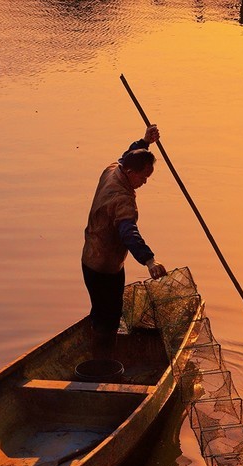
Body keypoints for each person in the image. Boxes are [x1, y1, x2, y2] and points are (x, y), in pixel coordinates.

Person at [81, 124, 167, 361]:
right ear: (130, 173)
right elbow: (129, 233)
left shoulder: (112, 170)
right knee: (108, 316)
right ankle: (102, 362)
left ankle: (98, 351)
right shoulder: (122, 199)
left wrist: (145, 142)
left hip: (90, 259)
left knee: (103, 310)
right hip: (104, 266)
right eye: (143, 176)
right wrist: (149, 260)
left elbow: (126, 155)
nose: (145, 182)